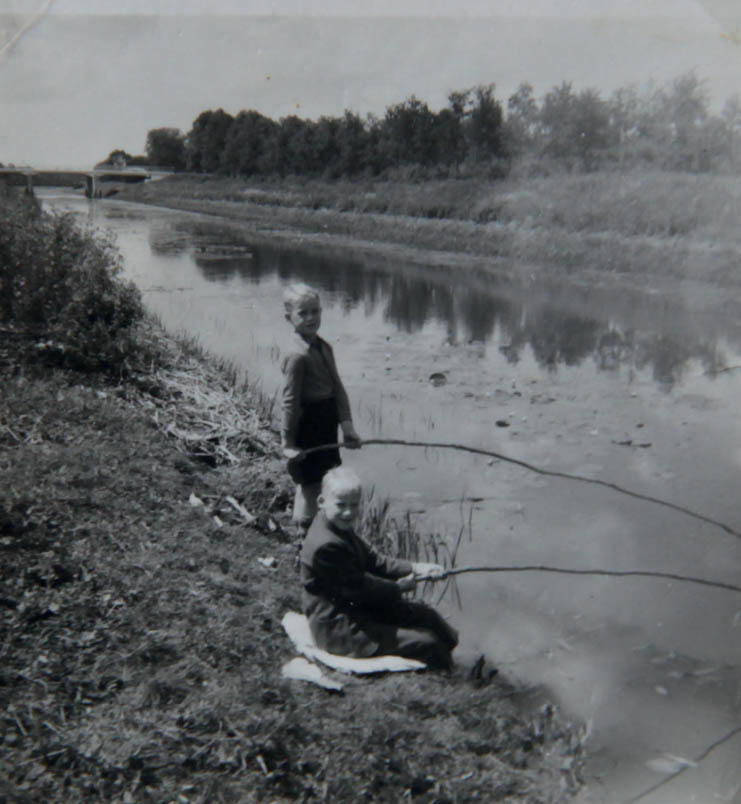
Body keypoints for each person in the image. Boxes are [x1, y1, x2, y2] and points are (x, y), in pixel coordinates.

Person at [299, 467, 459, 671]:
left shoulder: (337, 526)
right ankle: (451, 678)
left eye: (354, 505)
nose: (349, 512)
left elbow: (375, 560)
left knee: (428, 616)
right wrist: (398, 588)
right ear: (322, 502)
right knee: (427, 643)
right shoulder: (326, 545)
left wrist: (418, 567)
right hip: (341, 628)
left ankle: (451, 662)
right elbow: (358, 588)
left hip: (356, 608)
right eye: (341, 505)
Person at [281, 283, 361, 534]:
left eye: (315, 311)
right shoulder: (297, 355)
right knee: (309, 481)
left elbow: (337, 388)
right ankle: (303, 534)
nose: (311, 318)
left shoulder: (324, 347)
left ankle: (320, 530)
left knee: (327, 476)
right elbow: (290, 402)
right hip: (308, 424)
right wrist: (289, 442)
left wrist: (347, 426)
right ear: (289, 318)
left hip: (327, 422)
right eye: (303, 313)